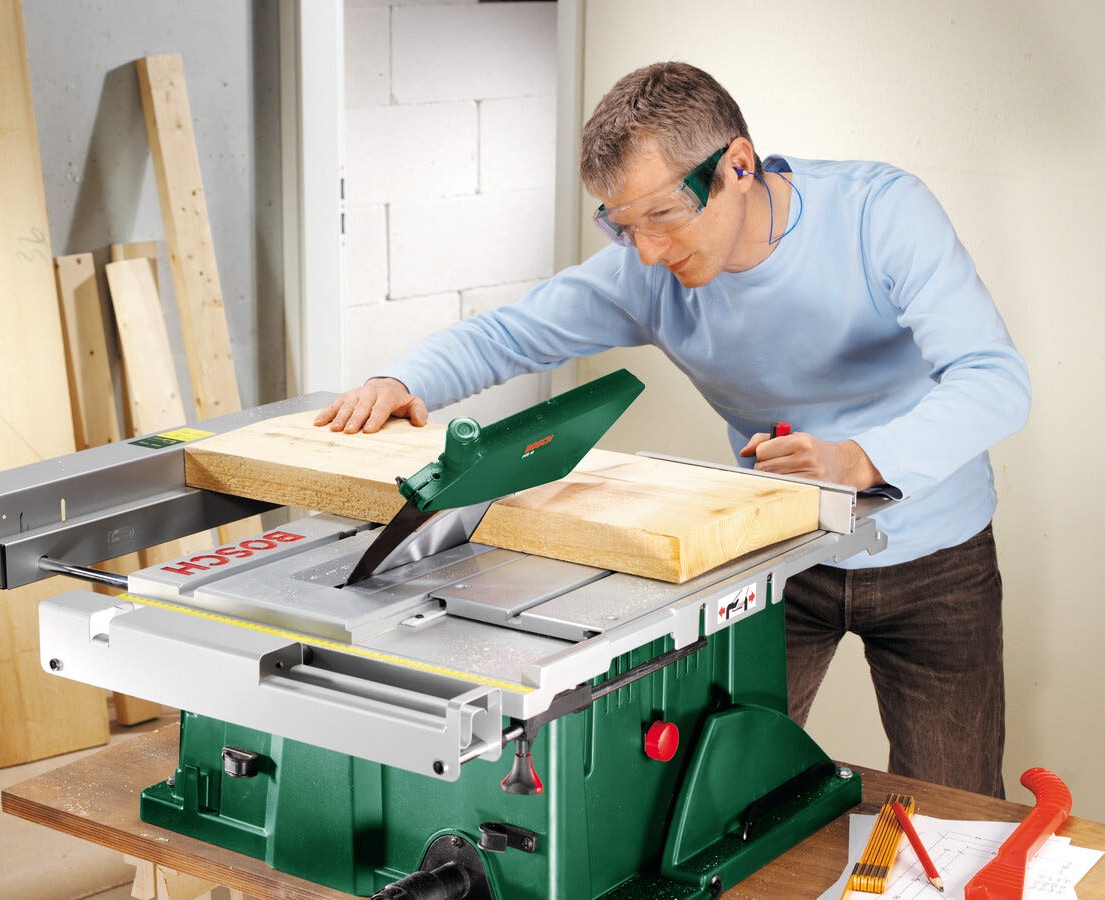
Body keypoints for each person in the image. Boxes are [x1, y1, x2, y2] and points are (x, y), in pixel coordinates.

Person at [314, 62, 1030, 797]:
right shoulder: (646, 271)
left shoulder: (881, 214)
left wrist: (860, 459)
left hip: (938, 556)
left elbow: (995, 380)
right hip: (777, 555)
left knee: (960, 807)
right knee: (725, 800)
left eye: (662, 215)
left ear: (738, 166)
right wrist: (400, 382)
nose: (649, 251)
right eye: (623, 225)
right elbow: (509, 334)